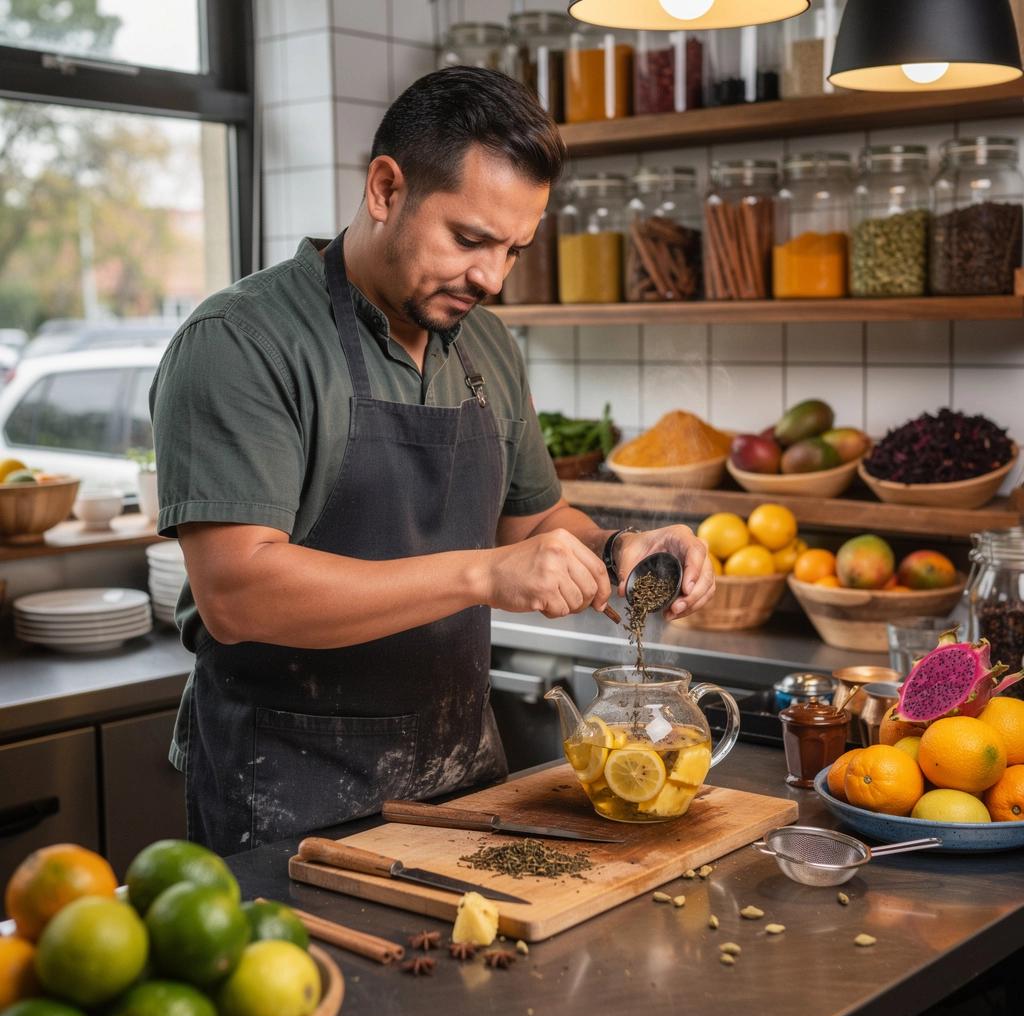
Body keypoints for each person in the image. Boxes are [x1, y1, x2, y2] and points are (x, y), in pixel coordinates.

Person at [150, 67, 715, 856]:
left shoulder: (486, 343)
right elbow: (238, 594)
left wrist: (622, 548)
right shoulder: (242, 342)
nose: (491, 278)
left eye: (514, 250)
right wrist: (484, 574)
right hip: (284, 796)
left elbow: (534, 521)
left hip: (462, 787)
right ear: (386, 188)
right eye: (470, 240)